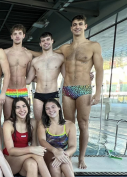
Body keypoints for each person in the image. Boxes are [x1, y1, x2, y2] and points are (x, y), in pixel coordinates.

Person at [53, 15, 103, 169]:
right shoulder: (65, 48)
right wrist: (26, 51)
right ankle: (70, 154)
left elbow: (100, 69)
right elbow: (47, 54)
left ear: (85, 26)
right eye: (74, 24)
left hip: (84, 89)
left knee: (83, 124)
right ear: (71, 28)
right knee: (69, 125)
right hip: (67, 89)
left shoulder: (93, 46)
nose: (77, 27)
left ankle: (81, 158)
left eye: (80, 24)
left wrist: (98, 93)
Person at [3, 97, 50, 177]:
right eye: (18, 107)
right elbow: (11, 151)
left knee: (32, 164)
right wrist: (31, 149)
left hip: (26, 157)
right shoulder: (8, 124)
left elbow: (34, 144)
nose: (22, 110)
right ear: (14, 110)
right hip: (11, 159)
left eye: (24, 106)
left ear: (28, 107)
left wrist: (33, 149)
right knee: (36, 155)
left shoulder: (33, 122)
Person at [26, 32, 65, 122]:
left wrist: (87, 76)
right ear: (40, 44)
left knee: (54, 123)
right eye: (43, 41)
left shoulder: (60, 58)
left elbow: (67, 77)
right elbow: (28, 80)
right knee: (39, 123)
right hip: (38, 95)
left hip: (53, 94)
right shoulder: (35, 61)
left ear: (52, 41)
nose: (45, 42)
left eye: (48, 39)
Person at [37, 98, 76, 177]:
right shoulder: (43, 124)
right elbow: (42, 140)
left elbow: (73, 146)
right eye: (47, 109)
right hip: (48, 154)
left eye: (53, 107)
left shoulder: (70, 125)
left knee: (56, 165)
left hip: (64, 156)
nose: (50, 110)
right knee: (61, 155)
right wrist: (55, 151)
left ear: (59, 107)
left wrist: (63, 154)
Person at [3, 24, 33, 121]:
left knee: (24, 119)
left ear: (23, 35)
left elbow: (29, 74)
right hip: (8, 90)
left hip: (22, 90)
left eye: (20, 33)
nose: (17, 36)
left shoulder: (28, 54)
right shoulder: (5, 53)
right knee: (8, 119)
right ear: (11, 36)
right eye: (15, 34)